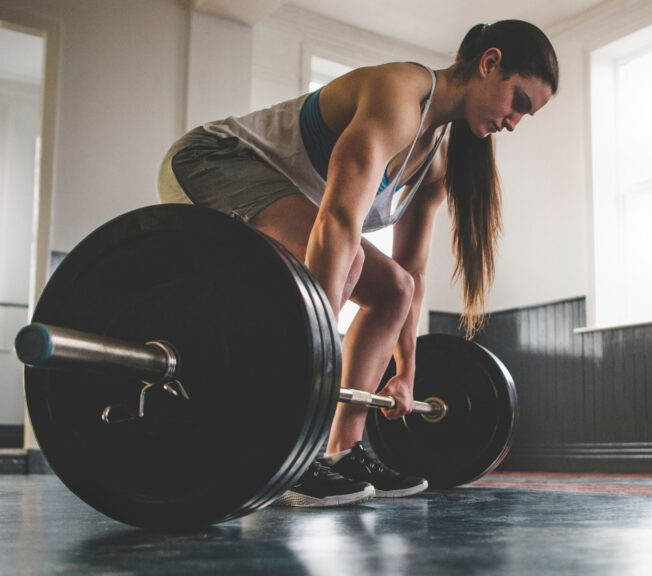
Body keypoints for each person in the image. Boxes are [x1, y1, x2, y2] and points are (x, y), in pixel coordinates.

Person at [157, 20, 558, 507]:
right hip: (212, 161)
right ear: (489, 63)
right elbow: (337, 223)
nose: (514, 122)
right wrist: (317, 355)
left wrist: (408, 370)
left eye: (526, 115)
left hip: (284, 200)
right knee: (341, 269)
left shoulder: (434, 161)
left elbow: (411, 270)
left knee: (395, 289)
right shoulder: (399, 94)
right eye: (518, 102)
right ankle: (288, 452)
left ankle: (344, 451)